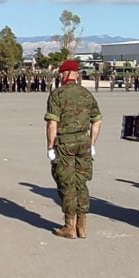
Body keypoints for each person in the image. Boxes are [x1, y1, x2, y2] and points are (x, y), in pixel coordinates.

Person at [44, 59, 102, 239]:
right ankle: (82, 226)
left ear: (64, 74)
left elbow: (52, 123)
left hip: (65, 143)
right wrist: (92, 143)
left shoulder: (57, 94)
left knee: (67, 183)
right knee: (81, 182)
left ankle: (70, 226)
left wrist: (50, 146)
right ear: (77, 74)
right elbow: (97, 120)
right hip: (83, 142)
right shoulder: (86, 94)